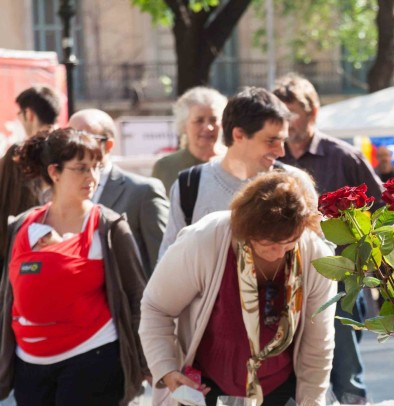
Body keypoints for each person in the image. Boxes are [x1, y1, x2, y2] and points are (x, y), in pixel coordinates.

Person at [140, 171, 336, 406]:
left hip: (281, 391)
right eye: (268, 244)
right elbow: (156, 307)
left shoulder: (314, 254)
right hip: (207, 390)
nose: (278, 254)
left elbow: (317, 344)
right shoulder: (204, 239)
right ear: (245, 228)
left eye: (289, 244)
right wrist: (166, 369)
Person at [0, 128, 148, 406]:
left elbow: (137, 297)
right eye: (81, 168)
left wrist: (145, 366)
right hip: (30, 367)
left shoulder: (108, 227)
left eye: (96, 166)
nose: (91, 176)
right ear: (54, 172)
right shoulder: (21, 225)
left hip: (93, 361)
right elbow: (9, 296)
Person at [274, 73, 382, 404]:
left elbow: (379, 210)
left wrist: (369, 266)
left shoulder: (343, 156)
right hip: (284, 277)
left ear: (313, 112)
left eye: (294, 113)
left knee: (344, 369)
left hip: (341, 278)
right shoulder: (271, 161)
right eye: (282, 114)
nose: (289, 123)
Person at [159, 87, 305, 259]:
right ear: (239, 135)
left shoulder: (296, 183)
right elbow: (169, 258)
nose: (281, 151)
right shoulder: (189, 186)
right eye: (271, 140)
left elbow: (321, 257)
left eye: (282, 141)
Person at [68, 109, 169, 278]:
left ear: (108, 146)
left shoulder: (142, 192)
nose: (74, 146)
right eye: (69, 137)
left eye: (84, 138)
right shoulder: (60, 191)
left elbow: (163, 259)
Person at [0, 86, 62, 263]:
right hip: (66, 251)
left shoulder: (17, 155)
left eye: (19, 114)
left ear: (29, 114)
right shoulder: (73, 150)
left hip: (19, 254)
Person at [151, 87, 227, 193]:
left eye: (213, 120)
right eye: (199, 121)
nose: (208, 127)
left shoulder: (235, 162)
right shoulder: (165, 167)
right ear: (184, 125)